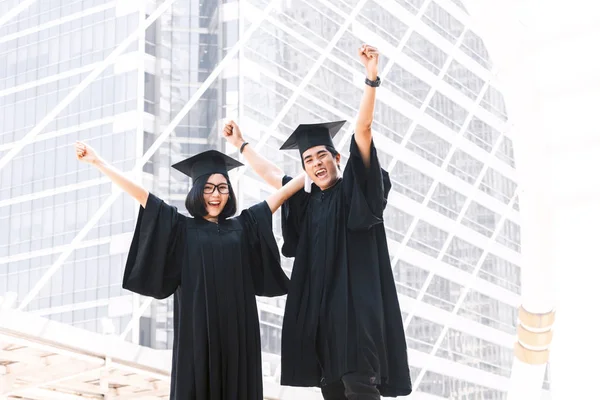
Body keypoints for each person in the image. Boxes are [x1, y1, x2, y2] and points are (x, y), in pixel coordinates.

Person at [223, 45, 412, 399]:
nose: (316, 163)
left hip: (356, 319)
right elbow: (273, 174)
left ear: (337, 157)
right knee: (333, 390)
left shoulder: (357, 190)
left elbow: (364, 131)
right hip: (322, 321)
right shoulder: (307, 204)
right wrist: (241, 144)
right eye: (308, 159)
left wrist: (371, 79)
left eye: (322, 155)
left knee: (359, 384)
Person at [74, 141, 304, 400]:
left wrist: (319, 162)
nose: (215, 194)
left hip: (238, 332)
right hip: (197, 331)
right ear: (196, 191)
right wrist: (98, 162)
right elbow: (143, 196)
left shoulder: (245, 226)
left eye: (222, 188)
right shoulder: (180, 230)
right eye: (207, 188)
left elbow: (284, 193)